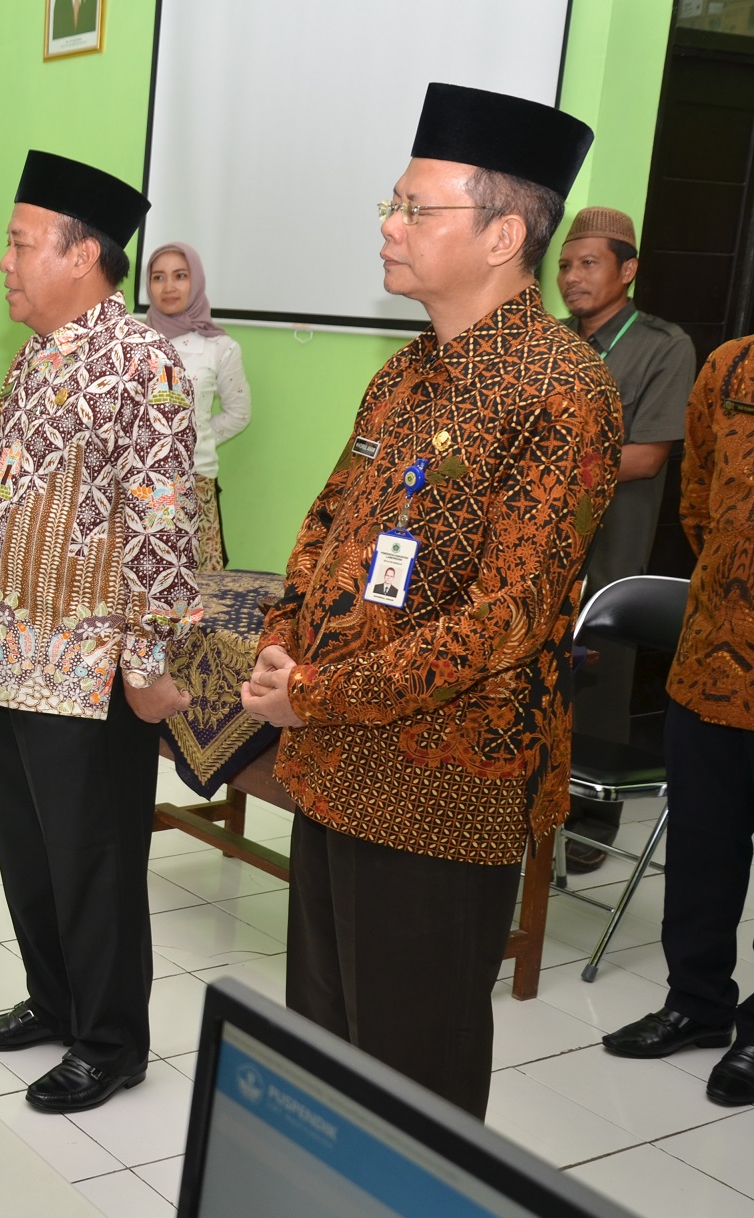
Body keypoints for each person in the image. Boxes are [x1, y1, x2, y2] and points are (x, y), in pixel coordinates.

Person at [239, 84, 621, 1119]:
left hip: (444, 781)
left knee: (413, 1073)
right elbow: (324, 528)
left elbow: (512, 615)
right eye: (392, 204)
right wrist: (282, 649)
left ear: (504, 234)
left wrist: (315, 688)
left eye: (417, 209)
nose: (388, 227)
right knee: (323, 1044)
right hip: (328, 758)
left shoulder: (565, 386)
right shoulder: (402, 375)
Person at [0, 150, 199, 1115]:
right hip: (9, 652)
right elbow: (28, 477)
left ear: (82, 252)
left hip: (91, 668)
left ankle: (109, 1040)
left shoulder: (144, 362)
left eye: (20, 244)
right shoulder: (35, 356)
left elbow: (163, 525)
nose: (5, 262)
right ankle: (52, 1003)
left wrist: (149, 667)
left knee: (93, 863)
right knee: (27, 849)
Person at [599, 335, 754, 1106]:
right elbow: (697, 502)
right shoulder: (729, 368)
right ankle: (697, 1004)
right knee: (702, 850)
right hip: (713, 665)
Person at [553, 207, 697, 871]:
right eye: (564, 265)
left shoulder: (663, 344)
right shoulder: (549, 340)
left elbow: (647, 456)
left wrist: (543, 469)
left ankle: (591, 822)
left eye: (588, 264)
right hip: (536, 538)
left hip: (612, 539)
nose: (572, 278)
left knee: (599, 671)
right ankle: (533, 800)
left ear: (627, 269)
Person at [145, 242, 250, 570]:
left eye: (180, 275)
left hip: (194, 481)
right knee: (142, 587)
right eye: (158, 277)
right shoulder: (132, 340)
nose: (169, 287)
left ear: (197, 281)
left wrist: (195, 437)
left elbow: (238, 414)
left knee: (197, 590)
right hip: (138, 483)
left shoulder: (220, 347)